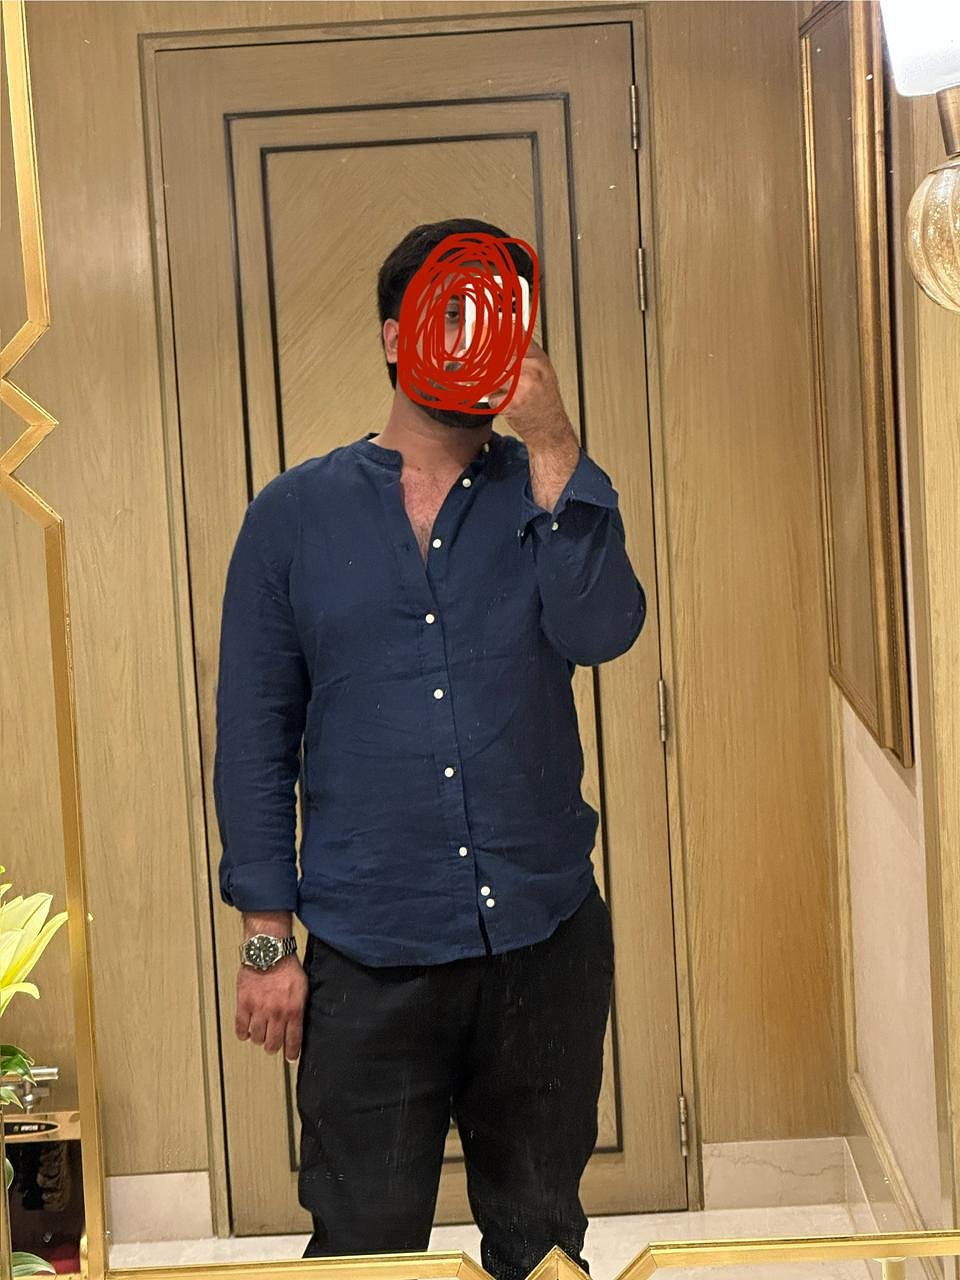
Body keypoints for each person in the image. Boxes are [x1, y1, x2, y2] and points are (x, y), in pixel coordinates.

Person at [213, 216, 646, 1280]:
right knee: (363, 1248)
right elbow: (255, 735)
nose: (476, 336)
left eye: (499, 319)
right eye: (450, 314)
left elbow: (603, 630)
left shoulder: (547, 493)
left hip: (542, 940)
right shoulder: (291, 517)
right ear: (392, 337)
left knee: (542, 1238)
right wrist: (267, 942)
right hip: (371, 958)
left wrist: (556, 446)